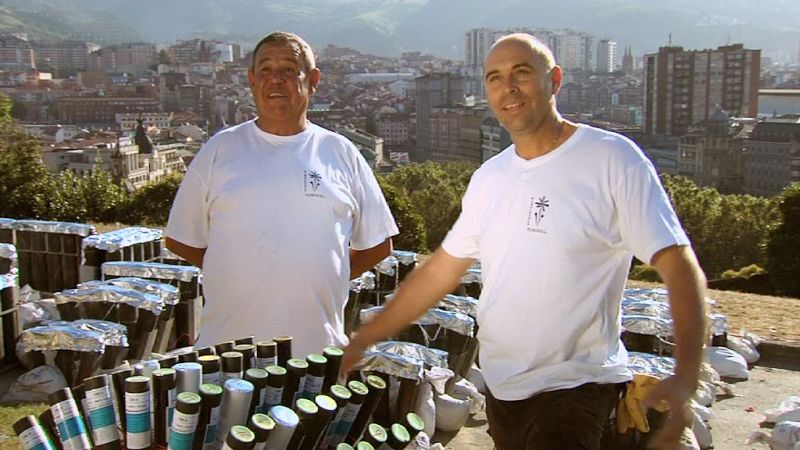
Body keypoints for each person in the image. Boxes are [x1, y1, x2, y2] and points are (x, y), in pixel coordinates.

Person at [342, 33, 706, 450]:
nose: (507, 88)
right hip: (503, 386)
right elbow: (442, 269)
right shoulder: (490, 177)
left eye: (522, 73)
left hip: (577, 385)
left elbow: (679, 266)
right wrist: (367, 337)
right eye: (494, 78)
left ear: (555, 79)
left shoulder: (612, 158)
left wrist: (687, 376)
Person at [166, 31, 398, 358]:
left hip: (318, 354)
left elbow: (378, 244)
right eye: (266, 70)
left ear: (313, 79)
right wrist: (233, 270)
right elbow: (180, 238)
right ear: (251, 80)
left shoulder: (341, 152)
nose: (276, 79)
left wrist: (329, 275)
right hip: (226, 354)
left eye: (289, 69)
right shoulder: (219, 150)